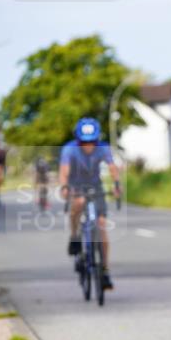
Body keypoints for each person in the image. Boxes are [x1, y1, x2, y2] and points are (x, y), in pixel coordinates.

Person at [59, 117, 121, 290]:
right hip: (76, 185)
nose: (88, 146)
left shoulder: (103, 148)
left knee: (101, 225)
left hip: (95, 185)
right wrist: (65, 187)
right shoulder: (69, 150)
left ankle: (105, 270)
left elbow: (112, 167)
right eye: (84, 142)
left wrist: (116, 185)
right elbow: (64, 172)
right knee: (78, 203)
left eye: (92, 141)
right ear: (77, 140)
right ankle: (74, 236)